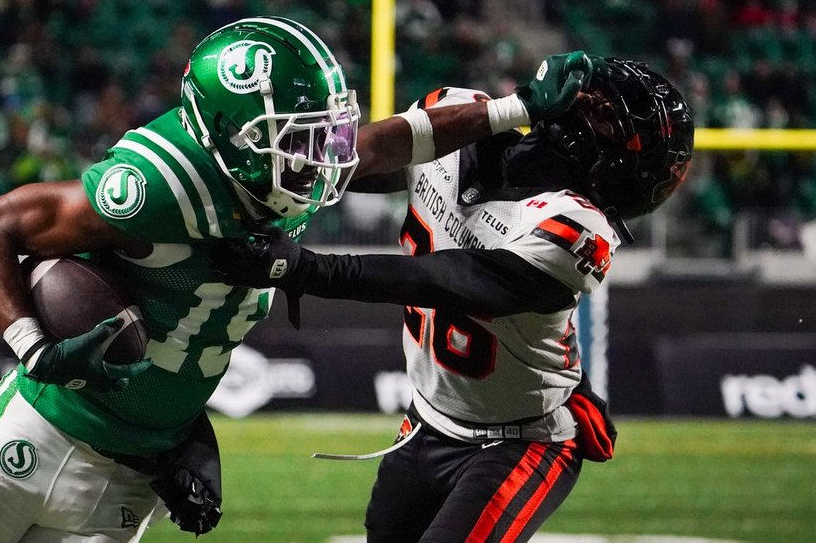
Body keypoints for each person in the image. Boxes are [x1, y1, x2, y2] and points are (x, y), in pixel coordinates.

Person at [0, 15, 591, 542]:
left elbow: (384, 142)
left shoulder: (274, 169)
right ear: (231, 137)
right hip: (37, 433)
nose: (319, 158)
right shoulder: (155, 185)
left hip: (133, 474)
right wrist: (34, 345)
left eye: (316, 133)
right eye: (293, 138)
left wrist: (516, 109)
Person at [211, 56, 694, 542]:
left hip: (521, 442)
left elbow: (444, 280)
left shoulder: (578, 228)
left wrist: (303, 268)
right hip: (426, 422)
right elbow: (354, 158)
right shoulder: (461, 115)